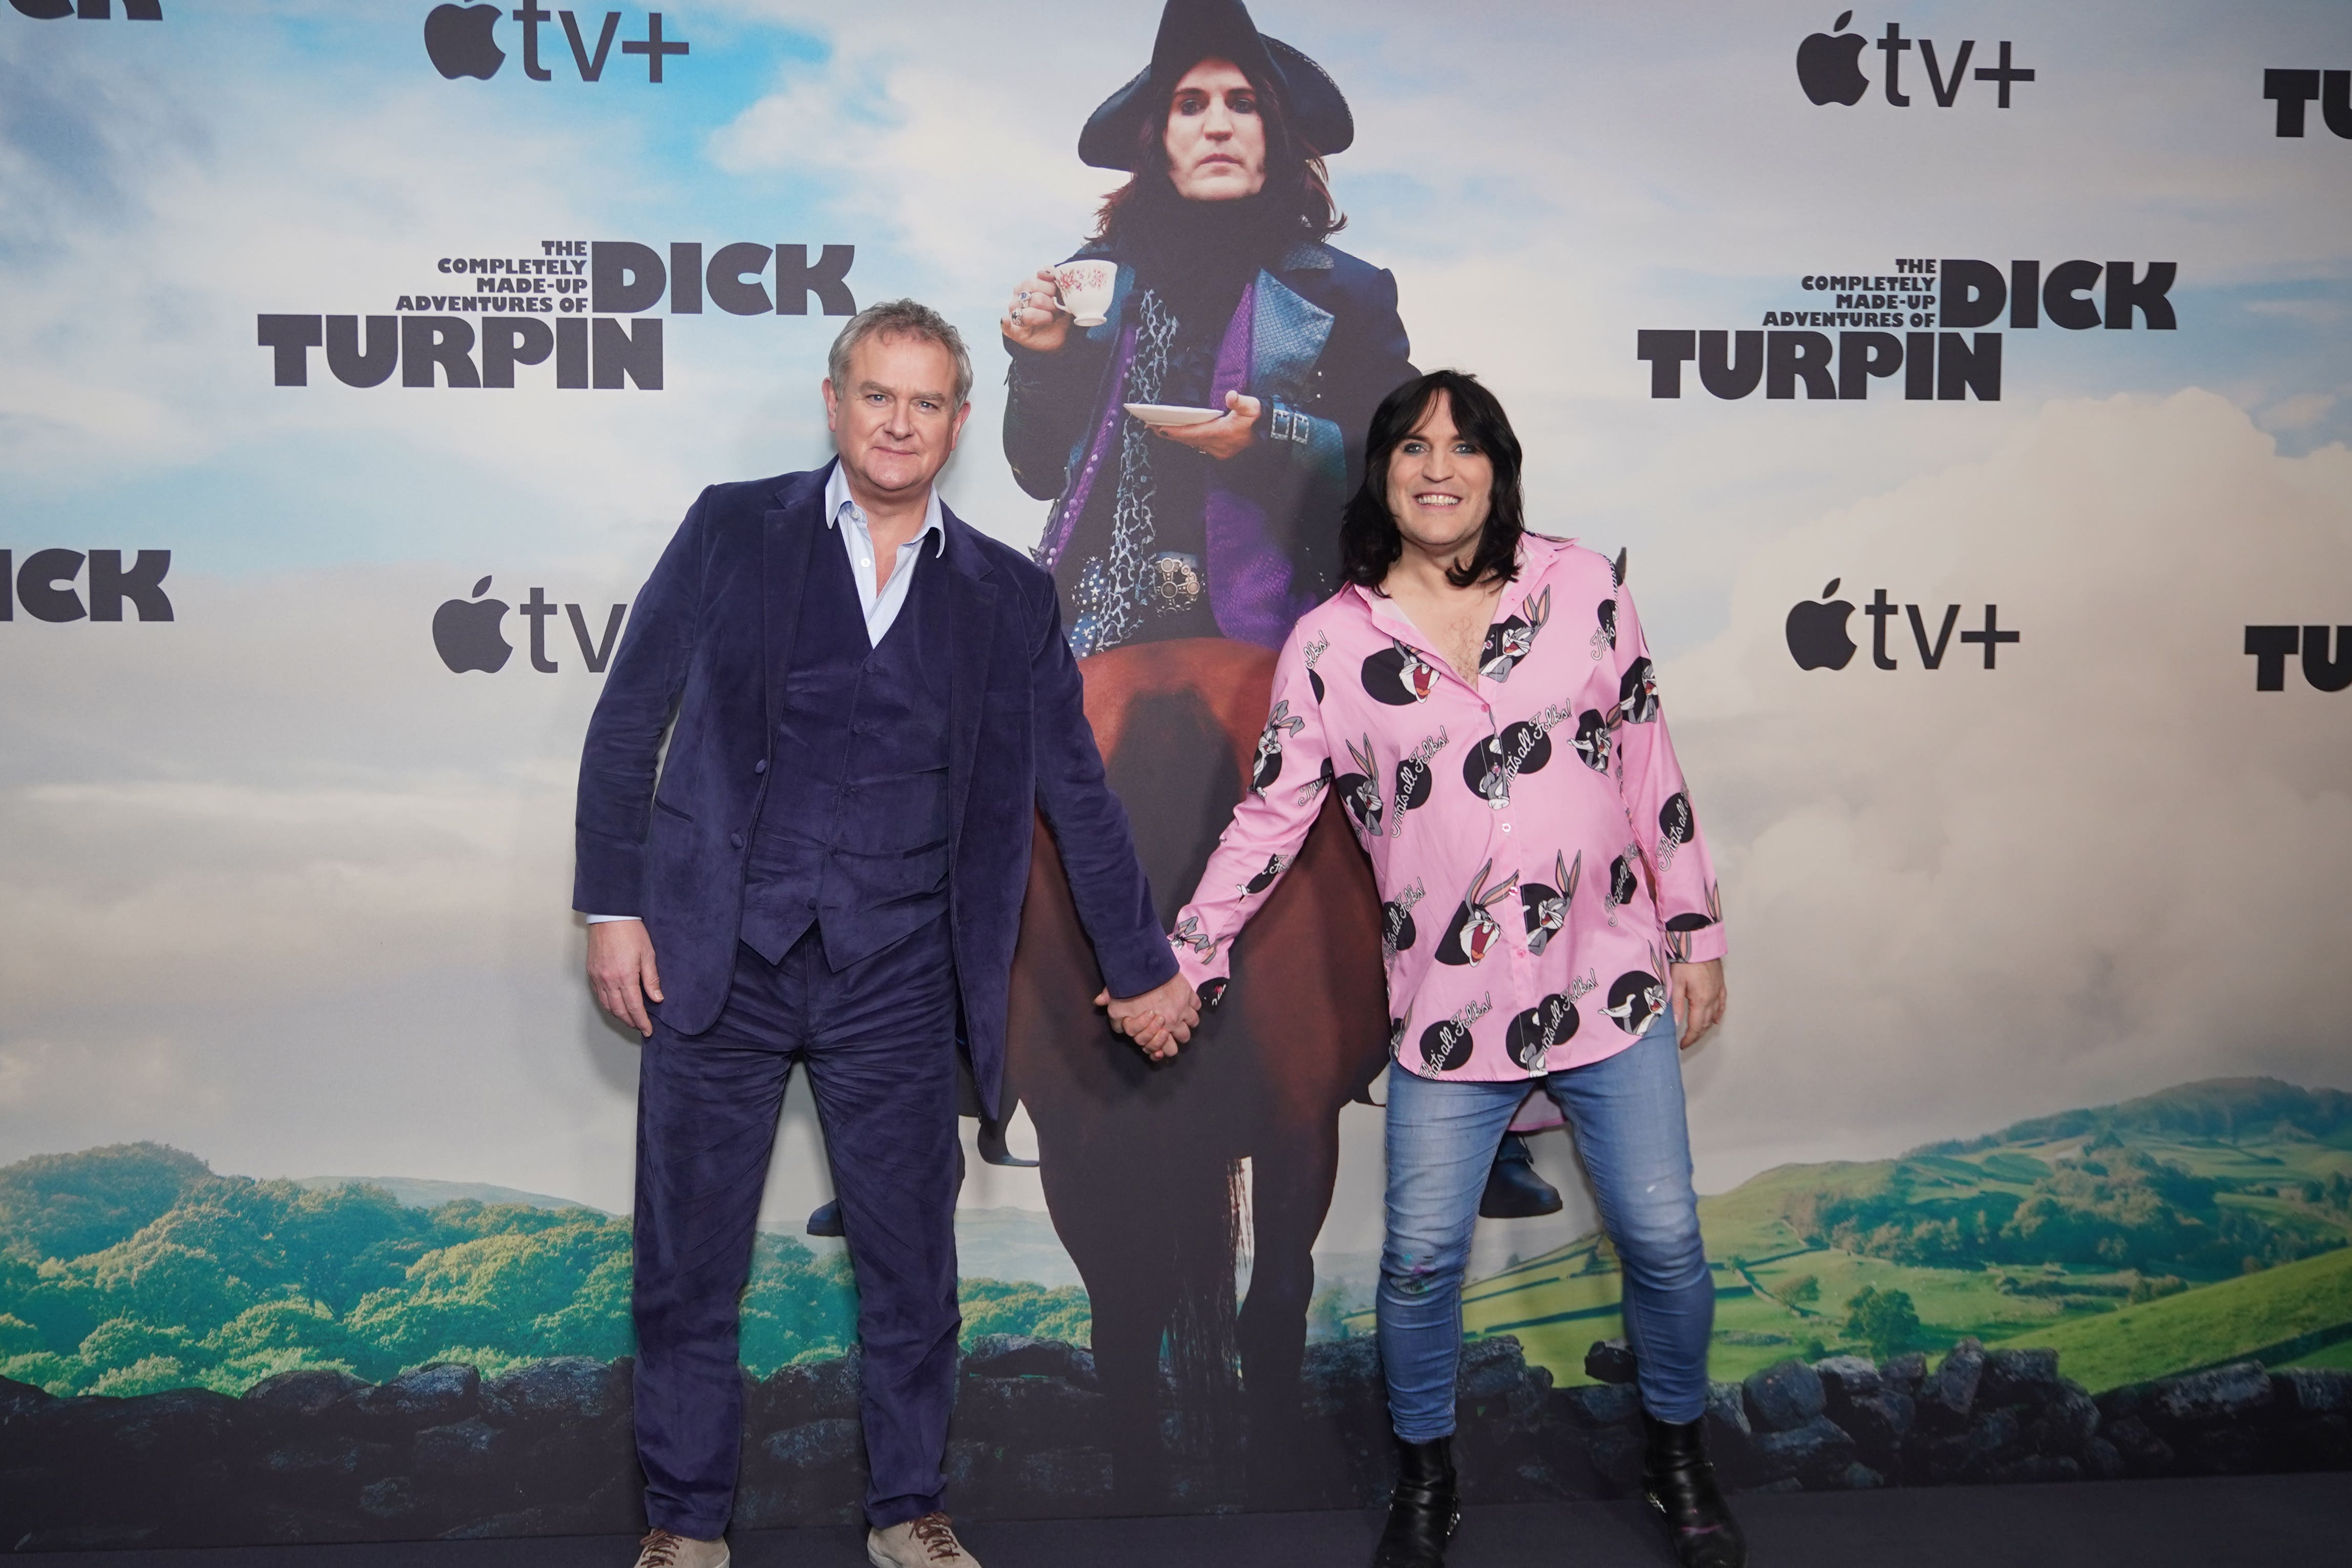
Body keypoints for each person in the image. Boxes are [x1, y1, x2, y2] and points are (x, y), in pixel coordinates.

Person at [574, 300, 1198, 1568]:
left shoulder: (1009, 595)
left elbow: (1072, 788)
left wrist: (1140, 964)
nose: (897, 421)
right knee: (687, 1267)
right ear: (833, 403)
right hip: (715, 959)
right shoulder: (728, 527)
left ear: (958, 424)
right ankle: (684, 1527)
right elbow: (627, 714)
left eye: (924, 401)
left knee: (912, 1274)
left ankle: (907, 1512)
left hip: (897, 979)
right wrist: (611, 907)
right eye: (876, 394)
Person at [1138, 370, 1745, 1568]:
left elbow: (1646, 764)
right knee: (1417, 1267)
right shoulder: (1330, 642)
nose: (1436, 467)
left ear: (1494, 469)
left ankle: (1676, 1458)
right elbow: (1269, 819)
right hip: (1446, 1013)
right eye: (1411, 447)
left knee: (1665, 1241)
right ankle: (1427, 1480)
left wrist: (1695, 932)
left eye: (1462, 448)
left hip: (1606, 983)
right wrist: (1188, 956)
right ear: (1381, 476)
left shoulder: (1581, 589)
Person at [1001, 0, 1415, 658]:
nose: (1218, 126)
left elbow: (1405, 463)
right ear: (1157, 138)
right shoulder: (1091, 286)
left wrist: (1275, 435)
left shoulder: (1350, 292)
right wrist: (1042, 362)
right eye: (1190, 105)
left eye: (1243, 103)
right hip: (1091, 634)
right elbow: (1037, 470)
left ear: (1274, 133)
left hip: (1287, 634)